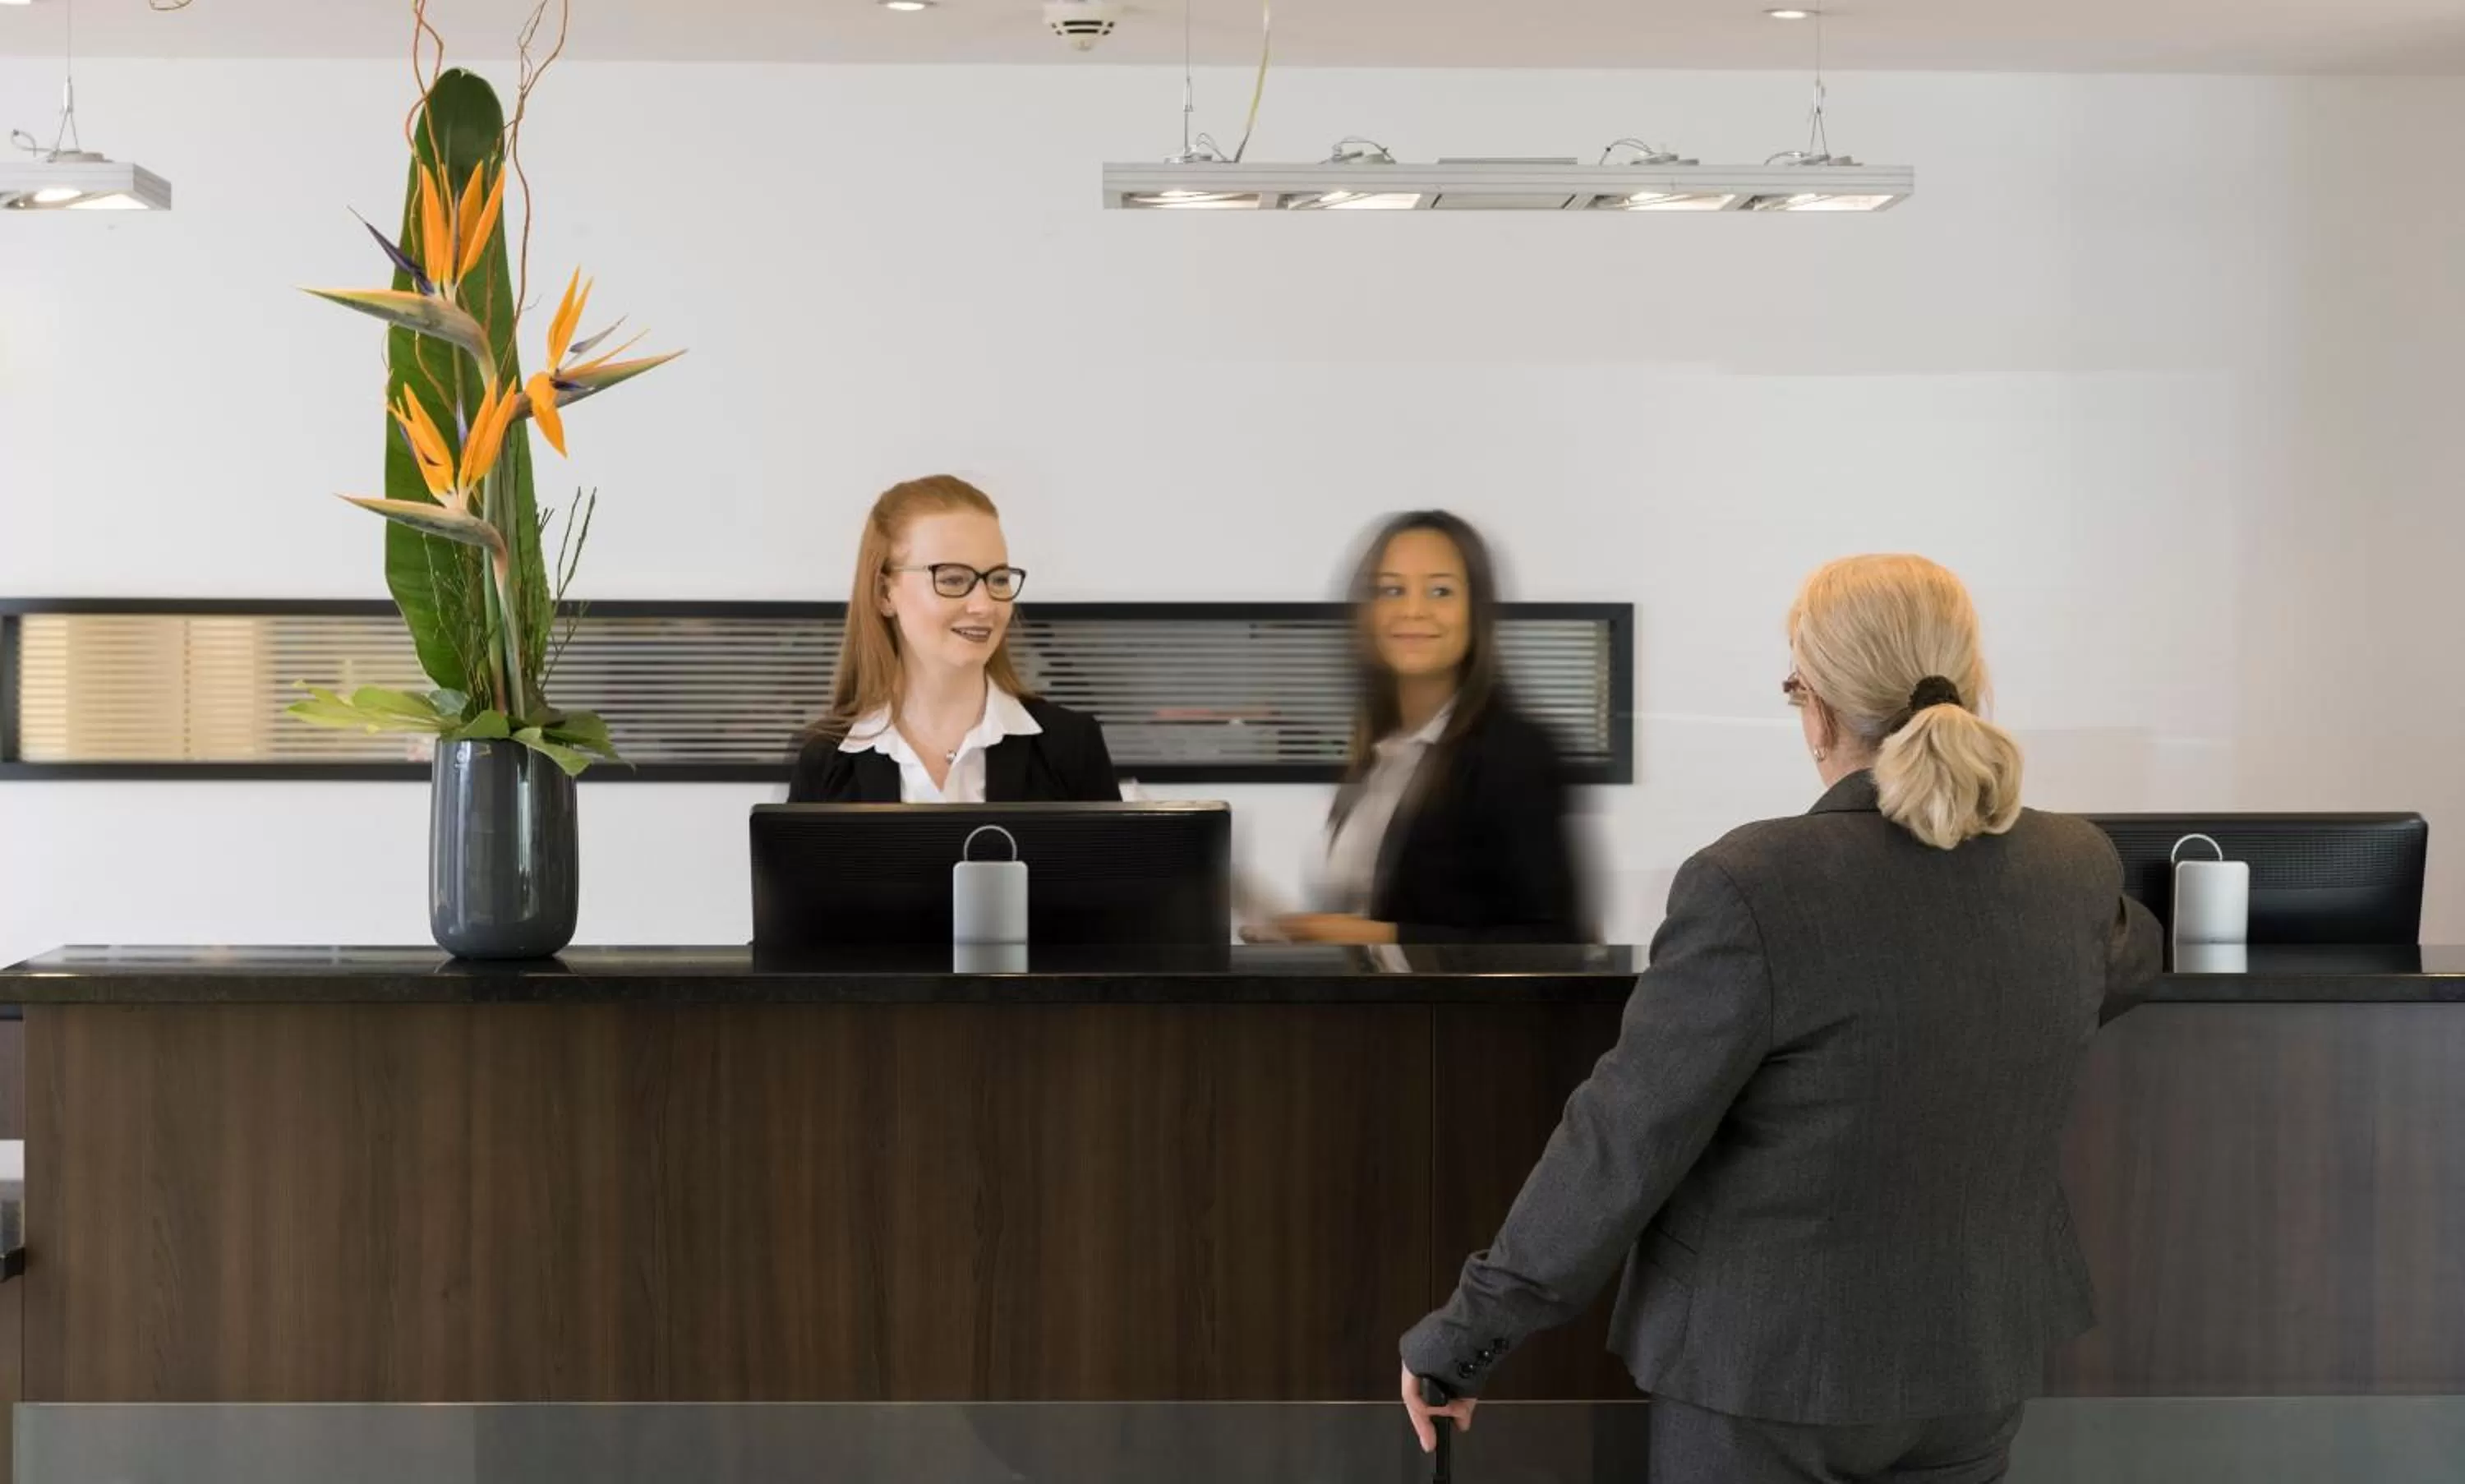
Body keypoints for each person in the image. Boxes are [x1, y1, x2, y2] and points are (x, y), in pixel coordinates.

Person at [1398, 554, 2162, 1483]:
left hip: (1765, 1378)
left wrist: (1466, 1334)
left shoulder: (1751, 884)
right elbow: (2128, 959)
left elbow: (1623, 1141)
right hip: (1970, 1367)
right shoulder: (2074, 865)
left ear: (1822, 708)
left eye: (1797, 684)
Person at [1269, 510, 1587, 946]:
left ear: (1475, 612)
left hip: (1463, 1016)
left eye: (1440, 591)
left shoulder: (1516, 751)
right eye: (1392, 590)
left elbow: (1556, 942)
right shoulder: (1383, 753)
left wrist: (1371, 936)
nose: (1413, 610)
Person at [786, 475, 1117, 804]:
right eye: (953, 579)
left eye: (998, 579)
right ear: (884, 593)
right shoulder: (825, 760)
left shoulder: (1072, 747)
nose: (985, 605)